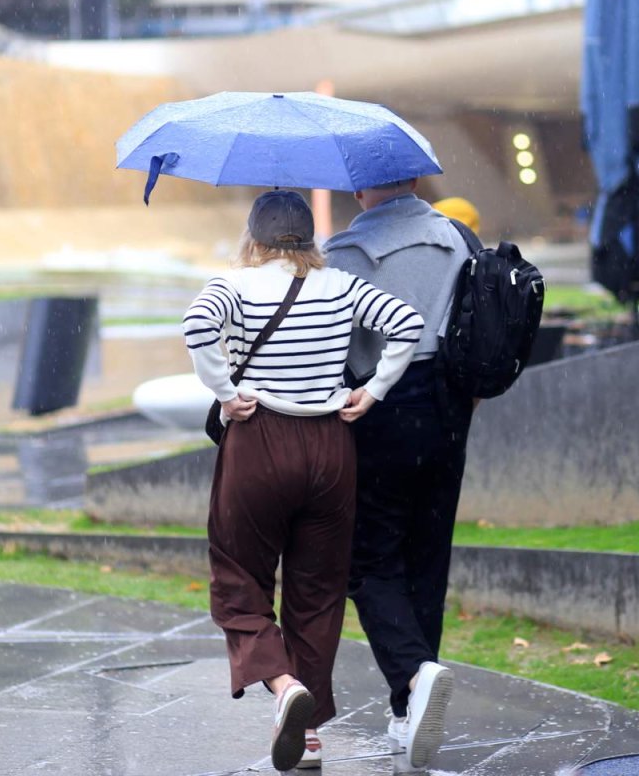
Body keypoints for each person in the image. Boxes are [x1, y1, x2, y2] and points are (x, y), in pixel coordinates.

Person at [183, 190, 424, 771]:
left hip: (260, 440)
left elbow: (196, 326)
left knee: (238, 581)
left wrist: (225, 391)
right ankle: (309, 735)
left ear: (255, 238)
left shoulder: (232, 286)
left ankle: (283, 684)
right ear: (310, 239)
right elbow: (407, 323)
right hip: (329, 447)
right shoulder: (340, 284)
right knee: (317, 593)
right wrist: (373, 390)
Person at [323, 179, 474, 771]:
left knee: (367, 559)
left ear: (361, 188)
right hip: (449, 408)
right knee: (427, 555)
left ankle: (413, 679)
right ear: (414, 180)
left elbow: (337, 341)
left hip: (378, 405)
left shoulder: (345, 253)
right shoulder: (458, 237)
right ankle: (408, 705)